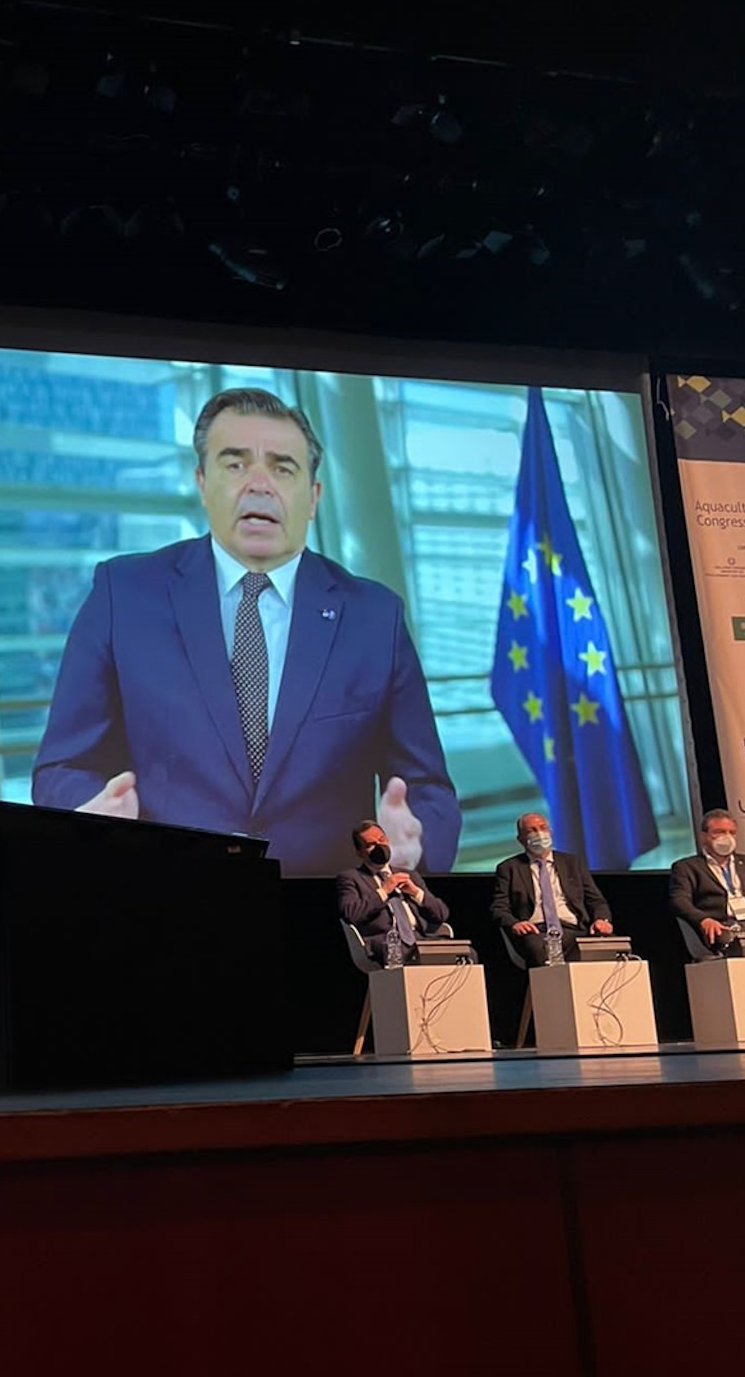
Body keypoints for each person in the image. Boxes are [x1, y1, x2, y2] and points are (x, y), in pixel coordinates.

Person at [30, 387, 461, 877]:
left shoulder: (374, 616)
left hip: (325, 908)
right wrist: (89, 814)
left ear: (313, 497)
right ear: (202, 482)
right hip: (164, 896)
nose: (259, 485)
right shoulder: (123, 594)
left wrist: (416, 845)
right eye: (235, 464)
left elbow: (427, 788)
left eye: (283, 468)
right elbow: (62, 768)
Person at [491, 811, 613, 965]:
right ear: (521, 839)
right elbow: (499, 908)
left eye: (543, 828)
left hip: (575, 929)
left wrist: (602, 920)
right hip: (537, 931)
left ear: (550, 832)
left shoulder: (572, 863)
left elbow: (596, 900)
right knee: (540, 950)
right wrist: (514, 924)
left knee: (613, 947)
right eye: (532, 830)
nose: (539, 834)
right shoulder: (509, 868)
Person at [336, 819, 450, 966]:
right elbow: (351, 914)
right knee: (403, 953)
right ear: (359, 852)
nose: (379, 846)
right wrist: (384, 891)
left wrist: (416, 892)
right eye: (371, 845)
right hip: (386, 944)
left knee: (466, 954)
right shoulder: (351, 878)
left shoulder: (410, 875)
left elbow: (441, 914)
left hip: (420, 941)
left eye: (382, 840)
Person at [669, 809, 745, 958]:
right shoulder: (687, 867)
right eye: (719, 832)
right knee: (731, 943)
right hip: (720, 927)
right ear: (703, 836)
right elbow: (679, 900)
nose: (727, 837)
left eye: (732, 832)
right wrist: (703, 920)